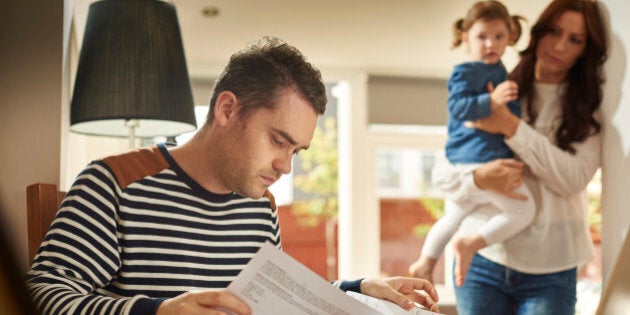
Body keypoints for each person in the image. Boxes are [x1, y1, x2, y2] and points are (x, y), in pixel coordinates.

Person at [25, 37, 439, 315]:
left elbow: (270, 300)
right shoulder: (115, 183)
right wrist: (158, 311)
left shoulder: (260, 208)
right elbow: (43, 294)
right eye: (279, 140)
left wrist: (356, 288)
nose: (286, 166)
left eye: (297, 151)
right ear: (226, 110)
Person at [426, 0, 607, 314]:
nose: (560, 45)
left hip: (551, 267)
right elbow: (444, 172)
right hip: (482, 261)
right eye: (554, 32)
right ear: (537, 34)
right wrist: (477, 178)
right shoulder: (494, 87)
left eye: (575, 39)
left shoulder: (588, 107)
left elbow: (573, 180)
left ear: (584, 50)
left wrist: (511, 127)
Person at [408, 0, 534, 287]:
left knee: (453, 214)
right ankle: (471, 244)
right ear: (466, 38)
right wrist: (492, 100)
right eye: (482, 37)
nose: (491, 43)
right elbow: (459, 108)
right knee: (525, 210)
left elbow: (507, 117)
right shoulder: (465, 71)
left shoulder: (501, 72)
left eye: (499, 36)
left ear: (510, 37)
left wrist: (506, 109)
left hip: (476, 157)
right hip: (476, 157)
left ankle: (425, 262)